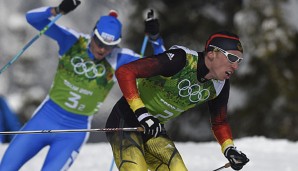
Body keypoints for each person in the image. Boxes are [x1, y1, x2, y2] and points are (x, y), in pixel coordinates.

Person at [0, 0, 165, 170]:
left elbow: (163, 66)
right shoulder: (72, 42)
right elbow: (32, 19)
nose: (102, 50)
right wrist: (58, 10)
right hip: (45, 118)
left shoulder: (120, 58)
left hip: (73, 132)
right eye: (99, 43)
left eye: (109, 46)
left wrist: (155, 39)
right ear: (93, 34)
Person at [105, 31, 250, 171]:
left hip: (154, 129)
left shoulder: (220, 85)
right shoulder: (181, 59)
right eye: (232, 58)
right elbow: (125, 71)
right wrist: (142, 113)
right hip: (126, 120)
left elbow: (219, 122)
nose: (235, 66)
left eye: (239, 61)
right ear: (212, 53)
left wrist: (229, 148)